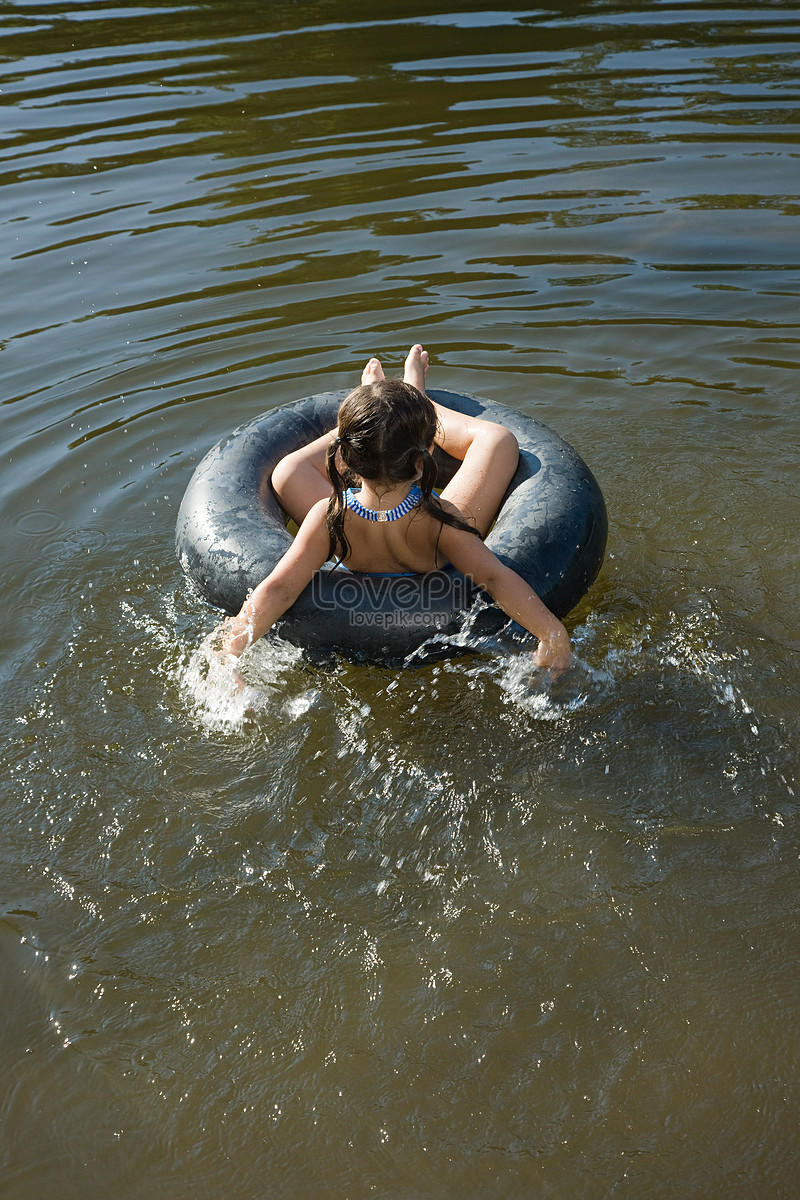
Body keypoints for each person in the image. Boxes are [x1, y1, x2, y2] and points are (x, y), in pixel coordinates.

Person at [204, 345, 571, 677]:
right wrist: (552, 633)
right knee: (498, 440)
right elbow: (495, 578)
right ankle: (415, 399)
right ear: (422, 462)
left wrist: (230, 651)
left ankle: (379, 416)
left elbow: (279, 588)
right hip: (429, 542)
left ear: (344, 457)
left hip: (356, 536)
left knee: (287, 471)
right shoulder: (443, 520)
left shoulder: (326, 515)